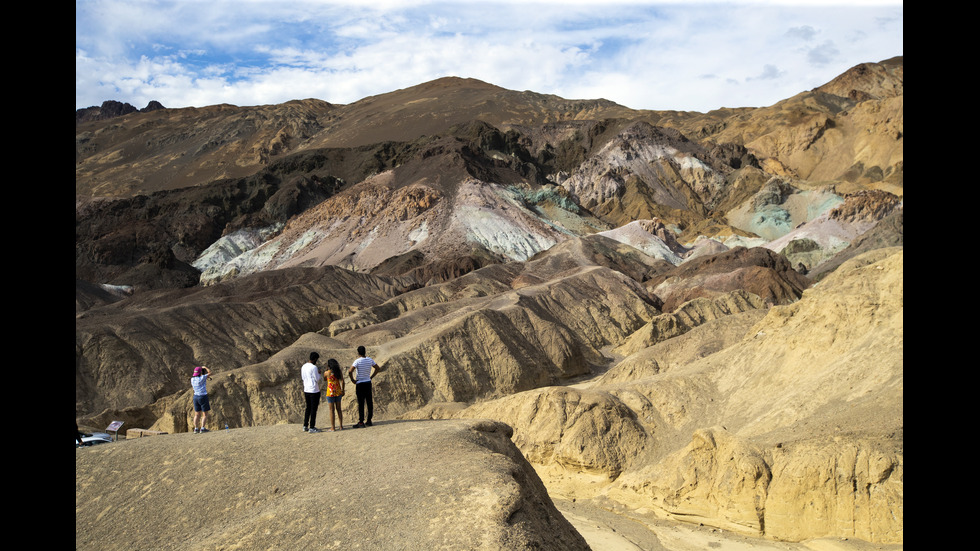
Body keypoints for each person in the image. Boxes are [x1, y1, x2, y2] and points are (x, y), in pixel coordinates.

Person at [348, 346, 386, 427]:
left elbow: (350, 371)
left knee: (361, 403)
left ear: (358, 352)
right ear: (365, 352)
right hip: (368, 382)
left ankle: (361, 422)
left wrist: (353, 380)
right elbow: (377, 368)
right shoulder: (369, 360)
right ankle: (369, 420)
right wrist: (371, 377)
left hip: (360, 383)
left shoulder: (357, 361)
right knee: (369, 402)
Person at [301, 352, 323, 433]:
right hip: (314, 390)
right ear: (315, 359)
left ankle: (305, 425)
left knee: (308, 408)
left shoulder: (303, 366)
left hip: (306, 389)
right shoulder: (314, 367)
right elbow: (317, 379)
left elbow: (303, 378)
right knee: (314, 409)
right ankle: (312, 427)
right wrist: (319, 373)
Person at [324, 358, 345, 432]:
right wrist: (343, 390)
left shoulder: (327, 372)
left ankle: (333, 427)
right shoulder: (338, 372)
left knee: (331, 410)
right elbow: (342, 381)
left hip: (330, 392)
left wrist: (327, 369)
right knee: (339, 409)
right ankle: (341, 426)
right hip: (338, 391)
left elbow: (324, 379)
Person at [191, 366, 212, 433]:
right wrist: (205, 367)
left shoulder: (192, 379)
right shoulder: (202, 378)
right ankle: (202, 428)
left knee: (197, 414)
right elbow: (210, 372)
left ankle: (196, 428)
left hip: (195, 397)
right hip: (203, 396)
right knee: (205, 414)